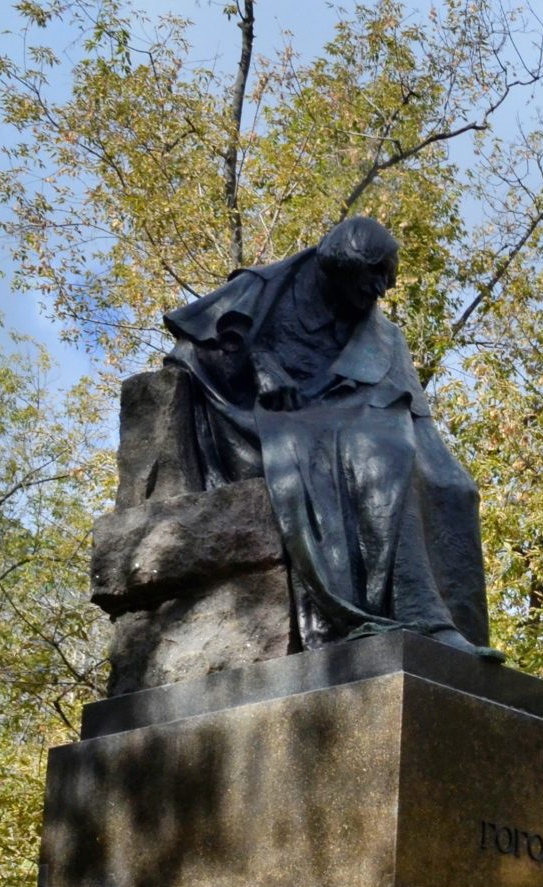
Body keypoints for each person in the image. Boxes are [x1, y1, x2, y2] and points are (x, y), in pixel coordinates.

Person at [160, 215, 496, 658]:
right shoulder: (268, 287)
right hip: (270, 422)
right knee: (383, 455)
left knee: (451, 487)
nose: (378, 292)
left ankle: (454, 634)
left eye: (386, 281)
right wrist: (257, 363)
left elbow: (413, 407)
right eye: (370, 280)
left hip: (346, 422)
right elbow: (197, 343)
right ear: (336, 270)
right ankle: (424, 623)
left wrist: (446, 470)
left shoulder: (382, 334)